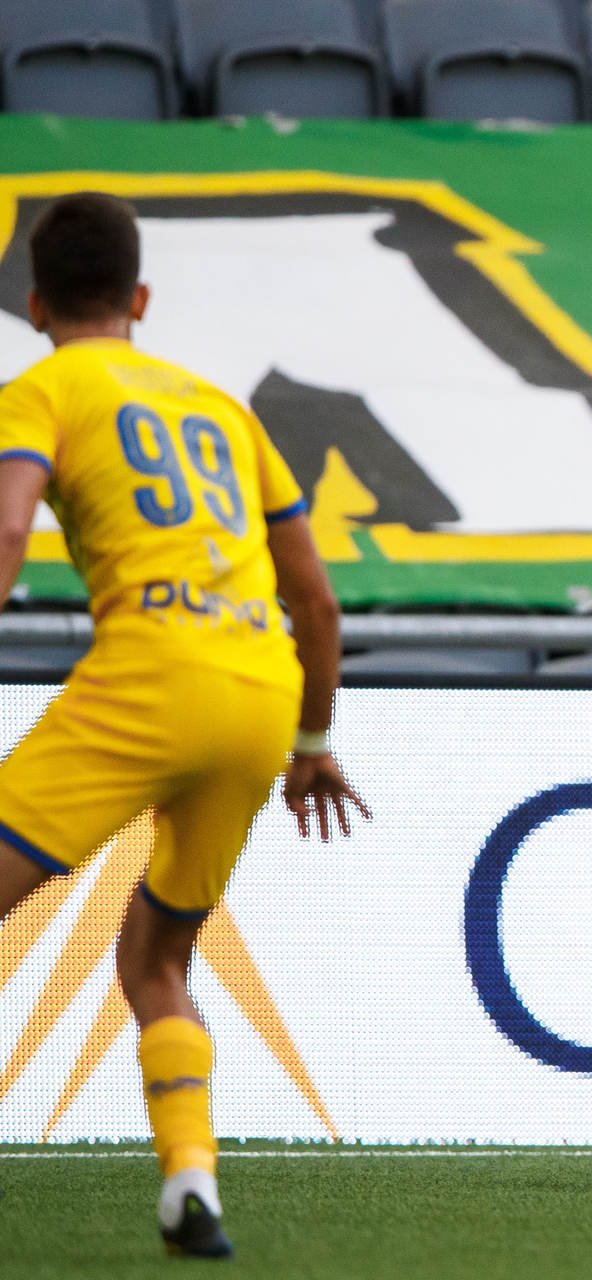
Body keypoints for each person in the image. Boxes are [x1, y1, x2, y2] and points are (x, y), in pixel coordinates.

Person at [0, 193, 368, 1254]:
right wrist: (311, 745)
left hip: (149, 675)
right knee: (159, 958)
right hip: (258, 696)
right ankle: (191, 1182)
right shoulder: (221, 408)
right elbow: (320, 604)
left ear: (34, 303)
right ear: (142, 298)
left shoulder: (41, 389)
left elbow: (10, 522)